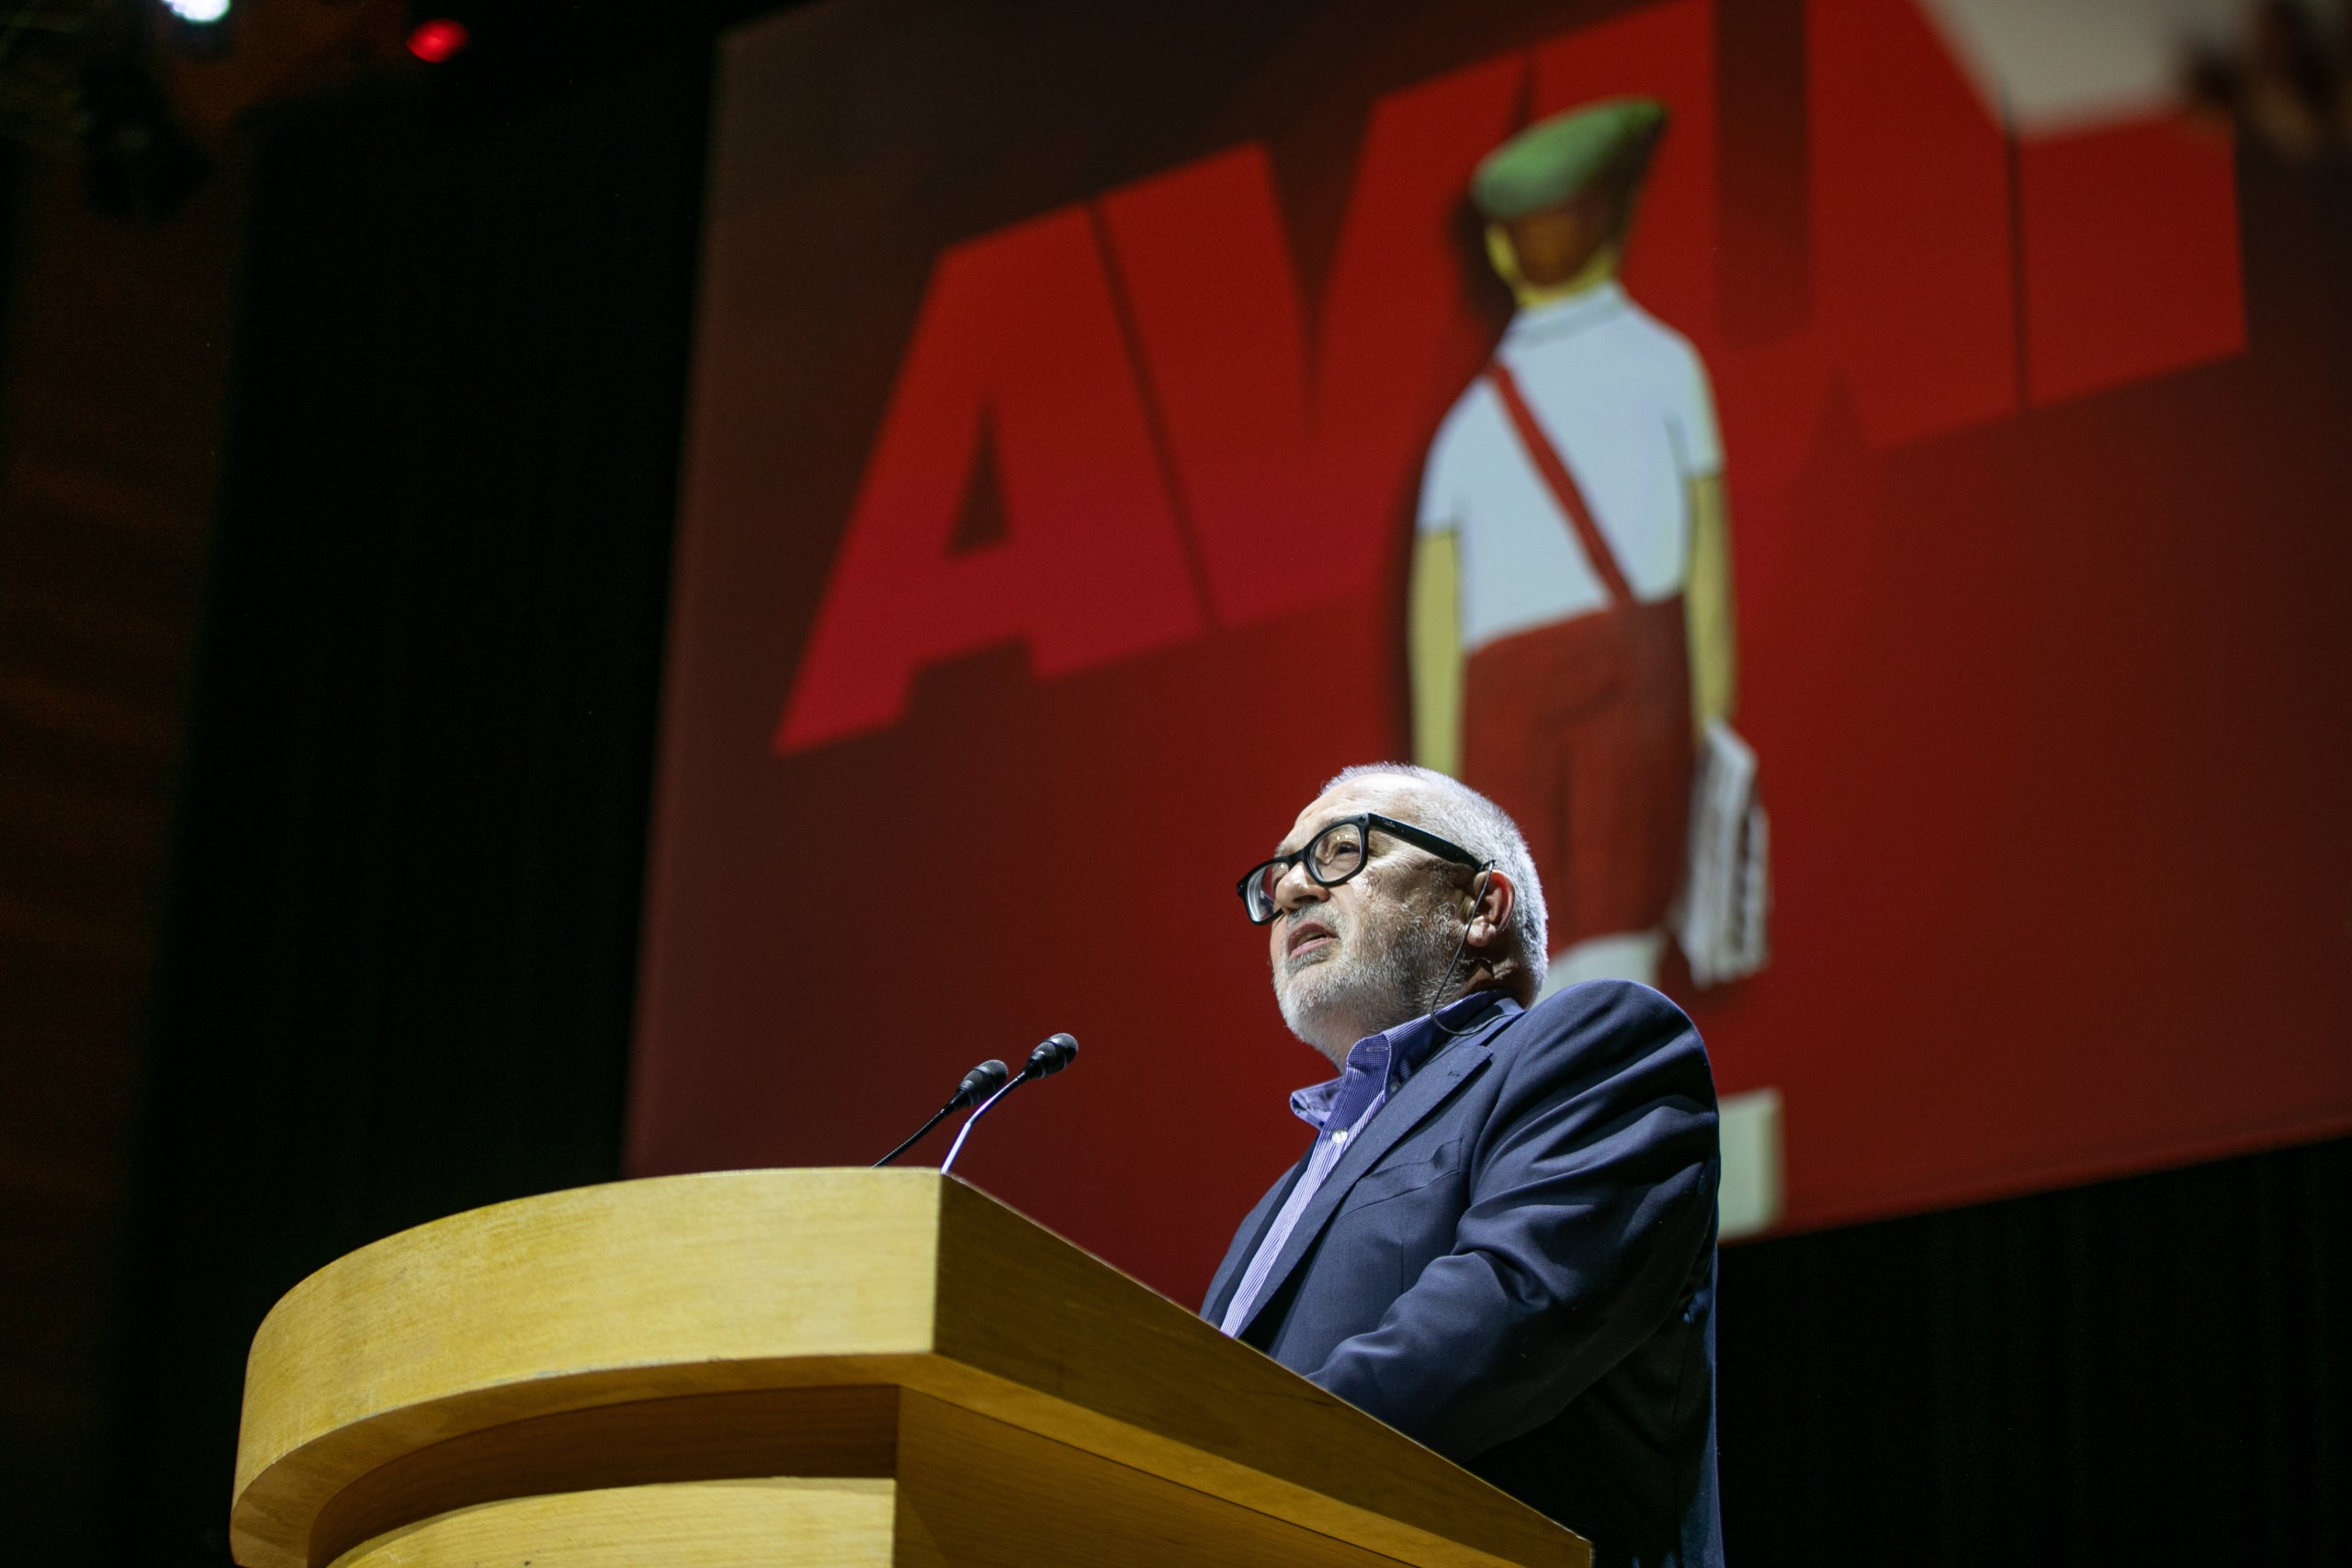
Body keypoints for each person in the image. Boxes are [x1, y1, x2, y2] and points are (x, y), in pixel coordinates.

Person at [1209, 763, 1722, 1568]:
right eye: (1278, 876)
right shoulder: (1275, 1204)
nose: (1293, 892)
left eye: (1341, 851)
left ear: (1481, 907)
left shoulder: (1599, 1046)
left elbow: (1509, 1305)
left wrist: (1221, 1457)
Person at [1411, 97, 1738, 991]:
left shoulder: (1465, 431)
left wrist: (1440, 820)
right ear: (1618, 220)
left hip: (1500, 713)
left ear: (1500, 250)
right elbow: (1707, 580)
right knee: (1626, 958)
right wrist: (1705, 734)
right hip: (1639, 688)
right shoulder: (1669, 369)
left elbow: (1436, 644)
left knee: (1528, 968)